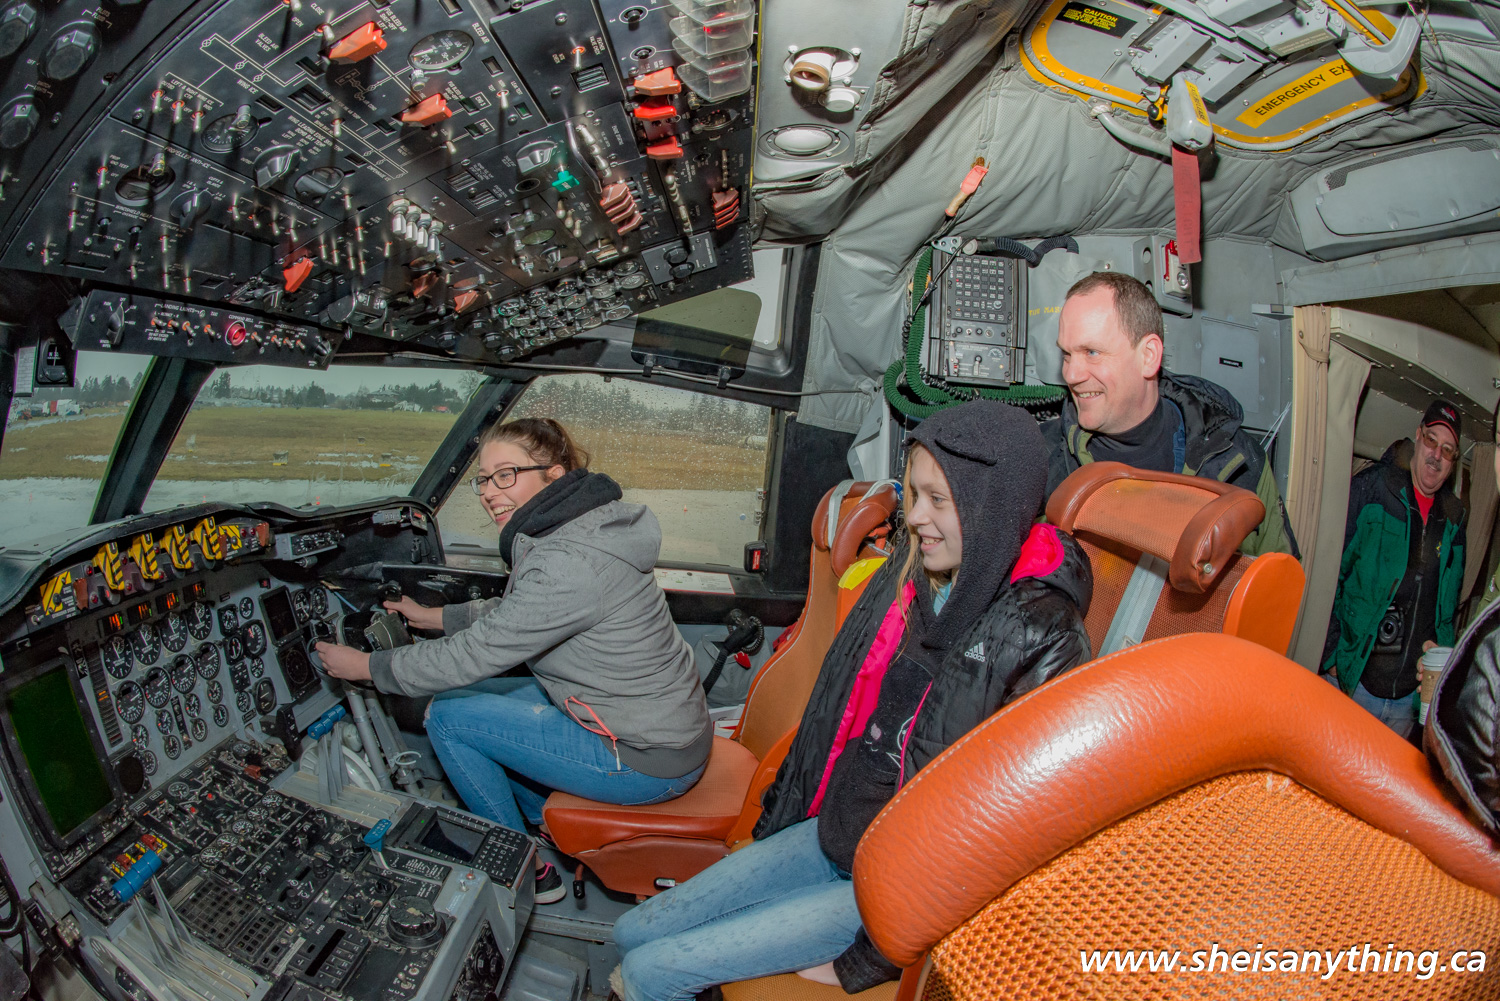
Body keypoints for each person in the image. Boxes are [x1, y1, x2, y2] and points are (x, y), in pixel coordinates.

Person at [611, 401, 1093, 1001]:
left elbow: (1000, 838)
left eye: (939, 500)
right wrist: (779, 818)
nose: (916, 518)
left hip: (885, 890)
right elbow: (834, 712)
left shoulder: (1041, 635)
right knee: (631, 933)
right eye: (914, 495)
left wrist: (866, 960)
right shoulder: (915, 580)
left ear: (992, 506)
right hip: (833, 833)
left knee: (650, 973)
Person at [316, 417, 711, 903]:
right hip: (657, 726)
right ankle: (544, 823)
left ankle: (524, 870)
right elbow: (522, 612)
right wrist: (434, 617)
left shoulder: (569, 559)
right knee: (479, 698)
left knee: (448, 716)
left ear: (555, 475)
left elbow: (480, 651)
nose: (488, 491)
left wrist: (367, 668)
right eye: (484, 479)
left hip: (644, 760)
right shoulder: (584, 529)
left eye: (506, 475)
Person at [1043, 271, 1295, 557]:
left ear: (1148, 356)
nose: (1071, 375)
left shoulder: (1237, 460)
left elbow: (1278, 576)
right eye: (1067, 355)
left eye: (1091, 352)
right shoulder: (1040, 456)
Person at [1321, 400, 1467, 738]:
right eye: (1431, 441)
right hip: (1355, 681)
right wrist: (1331, 654)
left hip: (1408, 699)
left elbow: (1447, 610)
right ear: (1418, 435)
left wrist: (1439, 676)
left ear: (1453, 462)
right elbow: (1331, 572)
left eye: (1447, 451)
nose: (1436, 455)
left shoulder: (1455, 518)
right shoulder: (1374, 487)